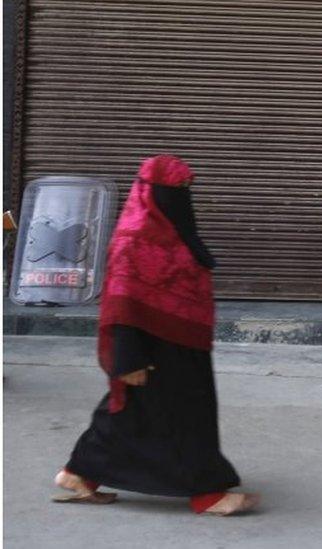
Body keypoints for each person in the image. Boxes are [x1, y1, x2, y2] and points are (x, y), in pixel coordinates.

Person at [52, 155, 259, 516]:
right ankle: (207, 494)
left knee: (131, 414)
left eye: (186, 190)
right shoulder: (135, 238)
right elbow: (122, 302)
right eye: (175, 190)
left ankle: (79, 474)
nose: (182, 197)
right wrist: (127, 358)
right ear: (153, 193)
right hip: (149, 346)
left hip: (182, 340)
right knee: (184, 415)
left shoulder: (173, 232)